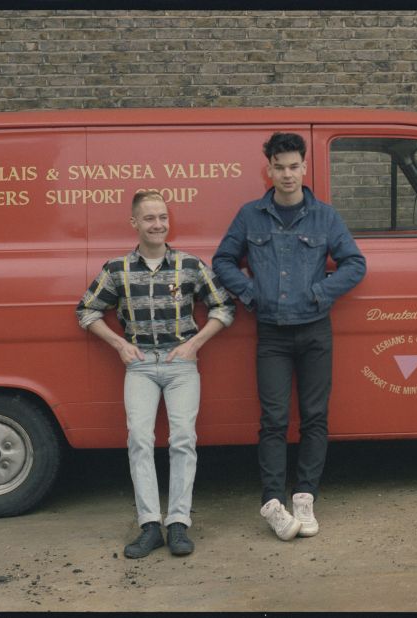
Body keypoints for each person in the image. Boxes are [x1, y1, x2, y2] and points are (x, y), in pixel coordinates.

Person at [213, 132, 366, 540]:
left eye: (293, 166)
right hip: (272, 336)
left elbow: (354, 263)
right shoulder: (250, 215)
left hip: (316, 330)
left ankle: (305, 496)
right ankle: (273, 503)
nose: (286, 174)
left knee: (315, 417)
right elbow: (222, 260)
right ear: (269, 169)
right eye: (279, 167)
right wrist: (250, 293)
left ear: (304, 167)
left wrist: (320, 292)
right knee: (274, 420)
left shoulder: (325, 217)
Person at [76, 190, 235, 558]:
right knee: (139, 440)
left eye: (162, 217)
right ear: (134, 223)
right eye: (149, 218)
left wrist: (195, 344)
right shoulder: (116, 269)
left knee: (183, 439)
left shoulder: (190, 265)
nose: (158, 224)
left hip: (181, 366)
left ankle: (178, 524)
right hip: (141, 366)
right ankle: (150, 525)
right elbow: (86, 311)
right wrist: (119, 344)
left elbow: (224, 307)